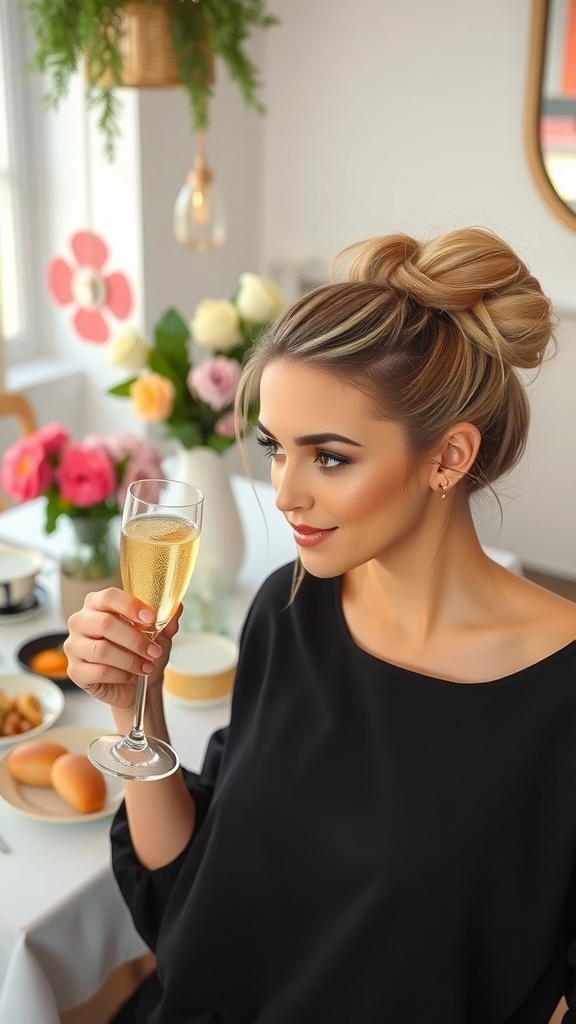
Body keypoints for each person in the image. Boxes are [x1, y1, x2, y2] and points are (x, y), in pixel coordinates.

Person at [64, 226, 576, 1024]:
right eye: (275, 447)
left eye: (329, 457)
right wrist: (138, 701)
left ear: (447, 458)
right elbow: (191, 894)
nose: (285, 492)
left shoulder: (561, 704)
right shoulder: (290, 607)